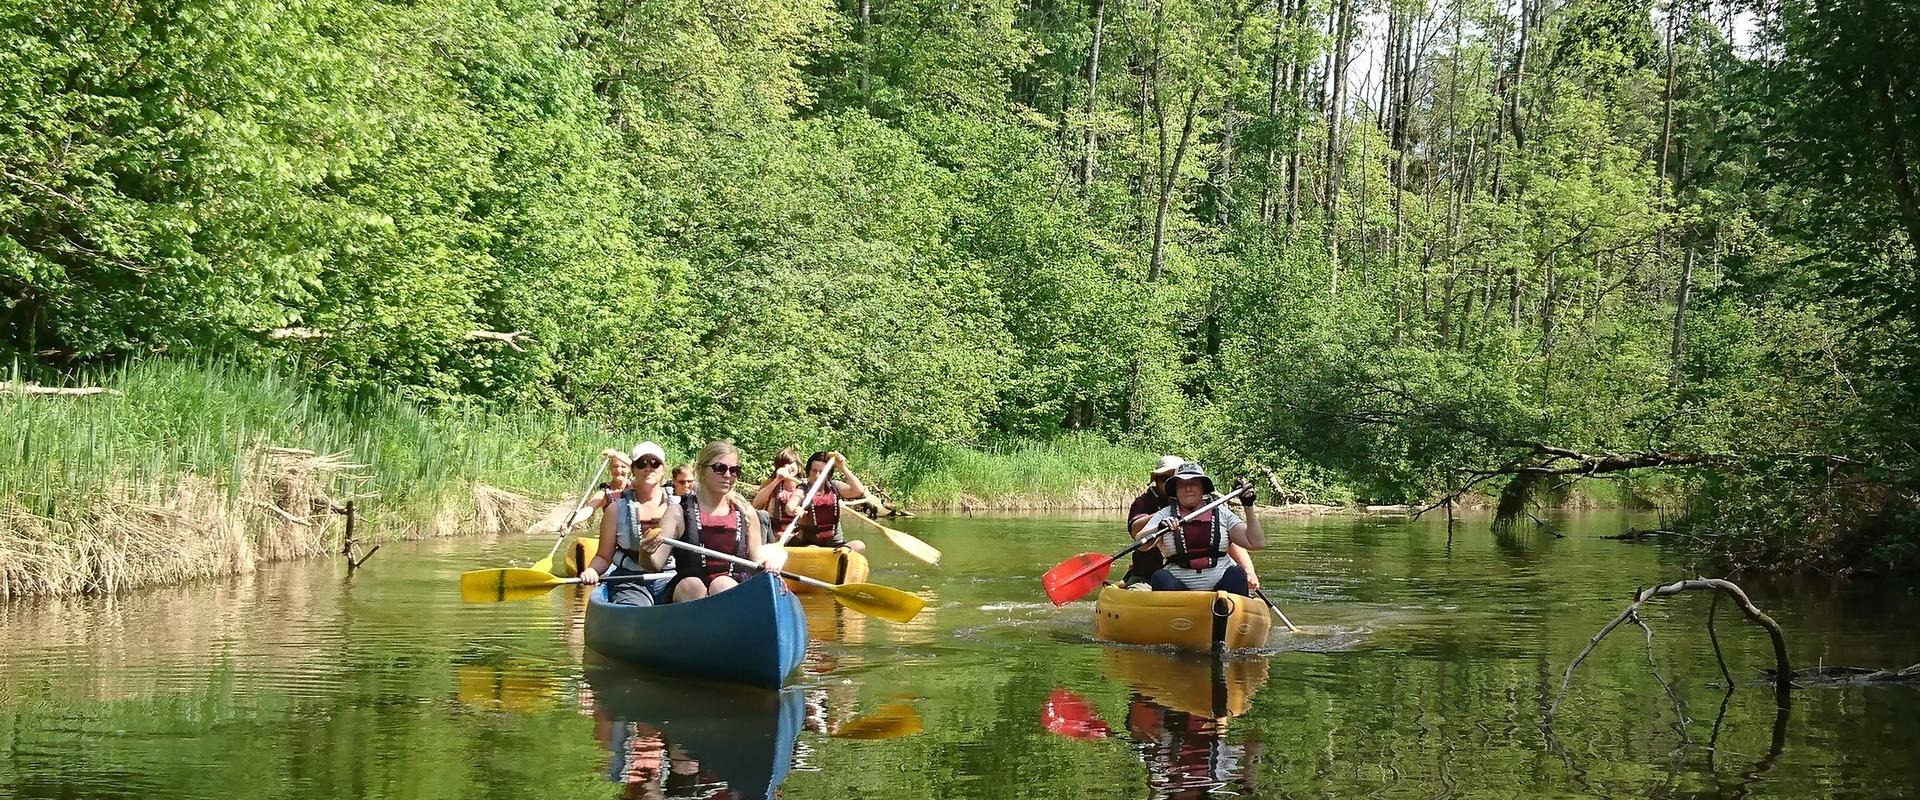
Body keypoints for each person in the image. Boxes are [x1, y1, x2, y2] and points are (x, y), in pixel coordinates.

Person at [645, 440, 783, 602]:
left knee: (722, 584)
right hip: (687, 591)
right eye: (720, 468)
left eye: (734, 470)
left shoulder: (746, 513)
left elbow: (757, 560)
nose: (727, 475)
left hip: (731, 587)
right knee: (693, 586)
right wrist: (645, 551)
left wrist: (775, 556)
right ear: (702, 470)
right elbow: (653, 564)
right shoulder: (677, 512)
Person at [1125, 457, 1263, 592]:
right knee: (1160, 577)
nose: (1188, 488)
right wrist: (1158, 528)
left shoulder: (1222, 513)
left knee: (1237, 574)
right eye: (1182, 484)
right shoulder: (1163, 514)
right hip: (1178, 589)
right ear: (1175, 490)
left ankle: (1222, 609)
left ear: (1203, 488)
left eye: (1194, 483)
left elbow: (1255, 543)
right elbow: (1140, 543)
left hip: (1220, 589)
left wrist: (1248, 506)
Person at [579, 442, 677, 605]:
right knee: (638, 606)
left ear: (663, 469)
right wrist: (591, 570)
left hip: (669, 577)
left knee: (690, 592)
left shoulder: (679, 507)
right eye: (641, 463)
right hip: (630, 579)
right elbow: (603, 556)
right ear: (633, 469)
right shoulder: (615, 510)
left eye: (654, 463)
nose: (648, 468)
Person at [779, 450, 869, 553]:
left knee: (859, 545)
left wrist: (842, 467)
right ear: (809, 471)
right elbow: (791, 504)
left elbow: (859, 491)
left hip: (835, 546)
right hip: (809, 544)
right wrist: (794, 509)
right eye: (814, 471)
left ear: (828, 474)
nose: (817, 475)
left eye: (821, 472)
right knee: (813, 550)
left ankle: (838, 555)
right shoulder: (803, 488)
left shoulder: (835, 487)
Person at [752, 447, 803, 543]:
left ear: (798, 466)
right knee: (762, 515)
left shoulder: (805, 486)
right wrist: (777, 480)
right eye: (783, 465)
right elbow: (756, 505)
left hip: (796, 536)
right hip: (773, 535)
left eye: (790, 463)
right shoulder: (771, 483)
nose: (787, 467)